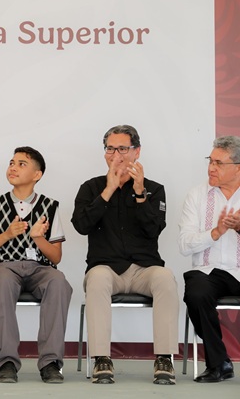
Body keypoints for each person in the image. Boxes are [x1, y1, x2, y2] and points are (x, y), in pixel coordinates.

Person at [71, 124, 178, 385]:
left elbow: (154, 230)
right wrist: (108, 191)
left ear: (136, 152)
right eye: (110, 149)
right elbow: (81, 225)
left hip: (144, 270)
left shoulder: (154, 189)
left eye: (122, 149)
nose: (115, 155)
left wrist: (140, 194)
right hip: (107, 269)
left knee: (165, 277)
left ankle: (164, 358)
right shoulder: (90, 188)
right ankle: (101, 359)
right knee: (97, 278)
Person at [0, 146, 71, 384]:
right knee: (3, 281)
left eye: (21, 164)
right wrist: (6, 235)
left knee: (58, 282)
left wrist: (38, 238)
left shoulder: (50, 206)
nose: (13, 168)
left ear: (37, 175)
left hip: (39, 268)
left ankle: (50, 363)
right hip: (3, 267)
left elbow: (56, 257)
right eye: (11, 163)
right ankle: (7, 361)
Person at [178, 135, 240, 383]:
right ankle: (219, 363)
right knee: (196, 293)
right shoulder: (196, 195)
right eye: (210, 161)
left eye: (219, 163)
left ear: (238, 168)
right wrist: (215, 232)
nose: (211, 168)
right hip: (208, 271)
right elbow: (184, 245)